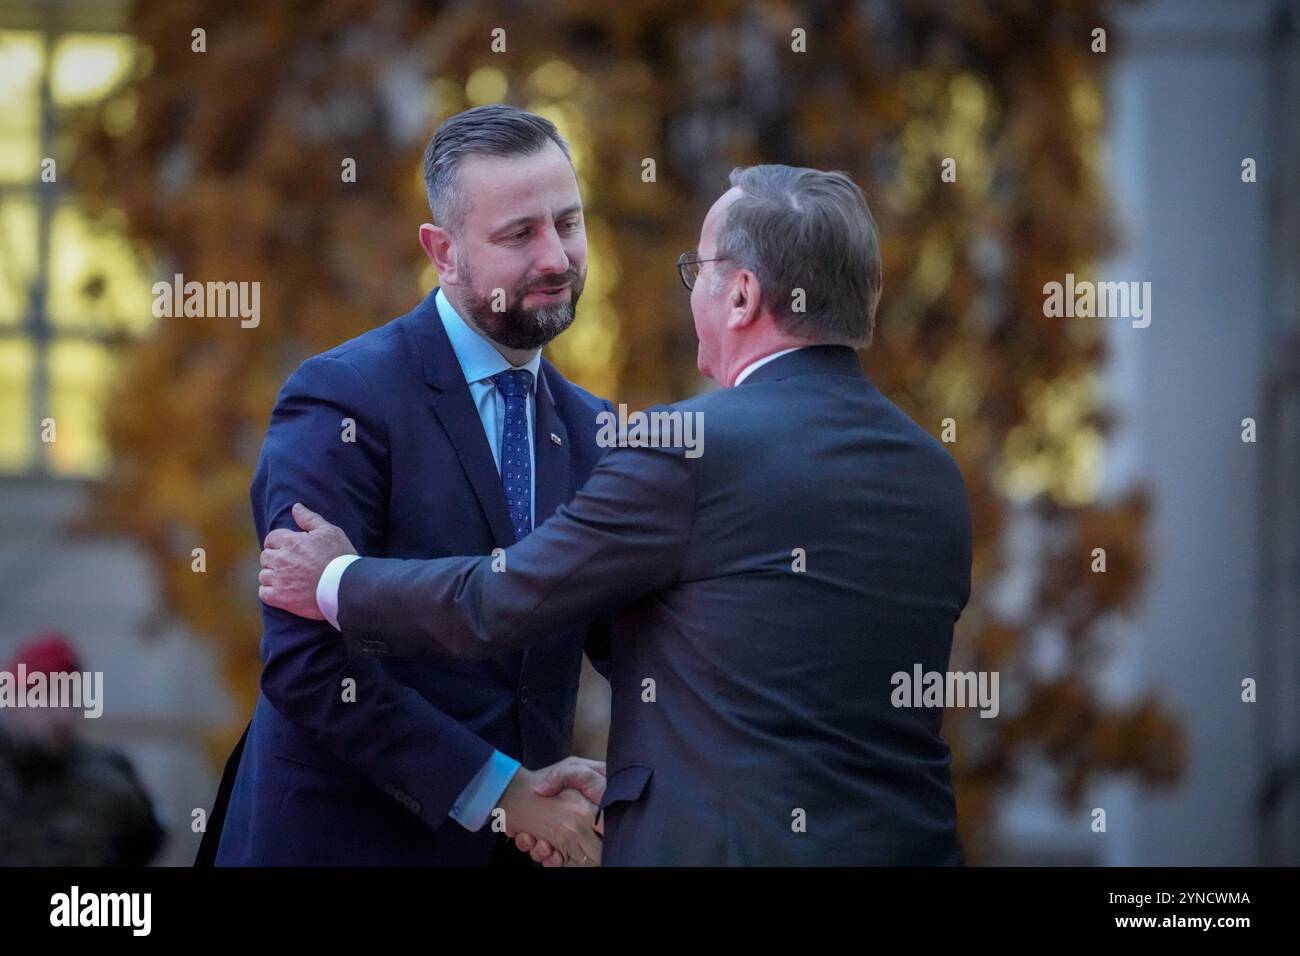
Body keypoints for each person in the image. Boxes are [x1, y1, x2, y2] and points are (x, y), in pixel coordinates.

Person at [261, 164, 973, 865]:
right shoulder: (934, 475)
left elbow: (506, 598)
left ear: (742, 297)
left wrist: (336, 582)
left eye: (699, 271)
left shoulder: (684, 449)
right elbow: (765, 665)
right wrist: (643, 783)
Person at [208, 106, 611, 867]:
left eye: (568, 222)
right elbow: (305, 662)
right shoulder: (341, 398)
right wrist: (498, 789)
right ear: (443, 251)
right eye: (518, 234)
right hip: (339, 847)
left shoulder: (593, 431)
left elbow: (638, 643)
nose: (557, 256)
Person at [0, 633, 166, 866]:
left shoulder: (111, 782)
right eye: (46, 697)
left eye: (72, 699)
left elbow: (146, 840)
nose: (63, 716)